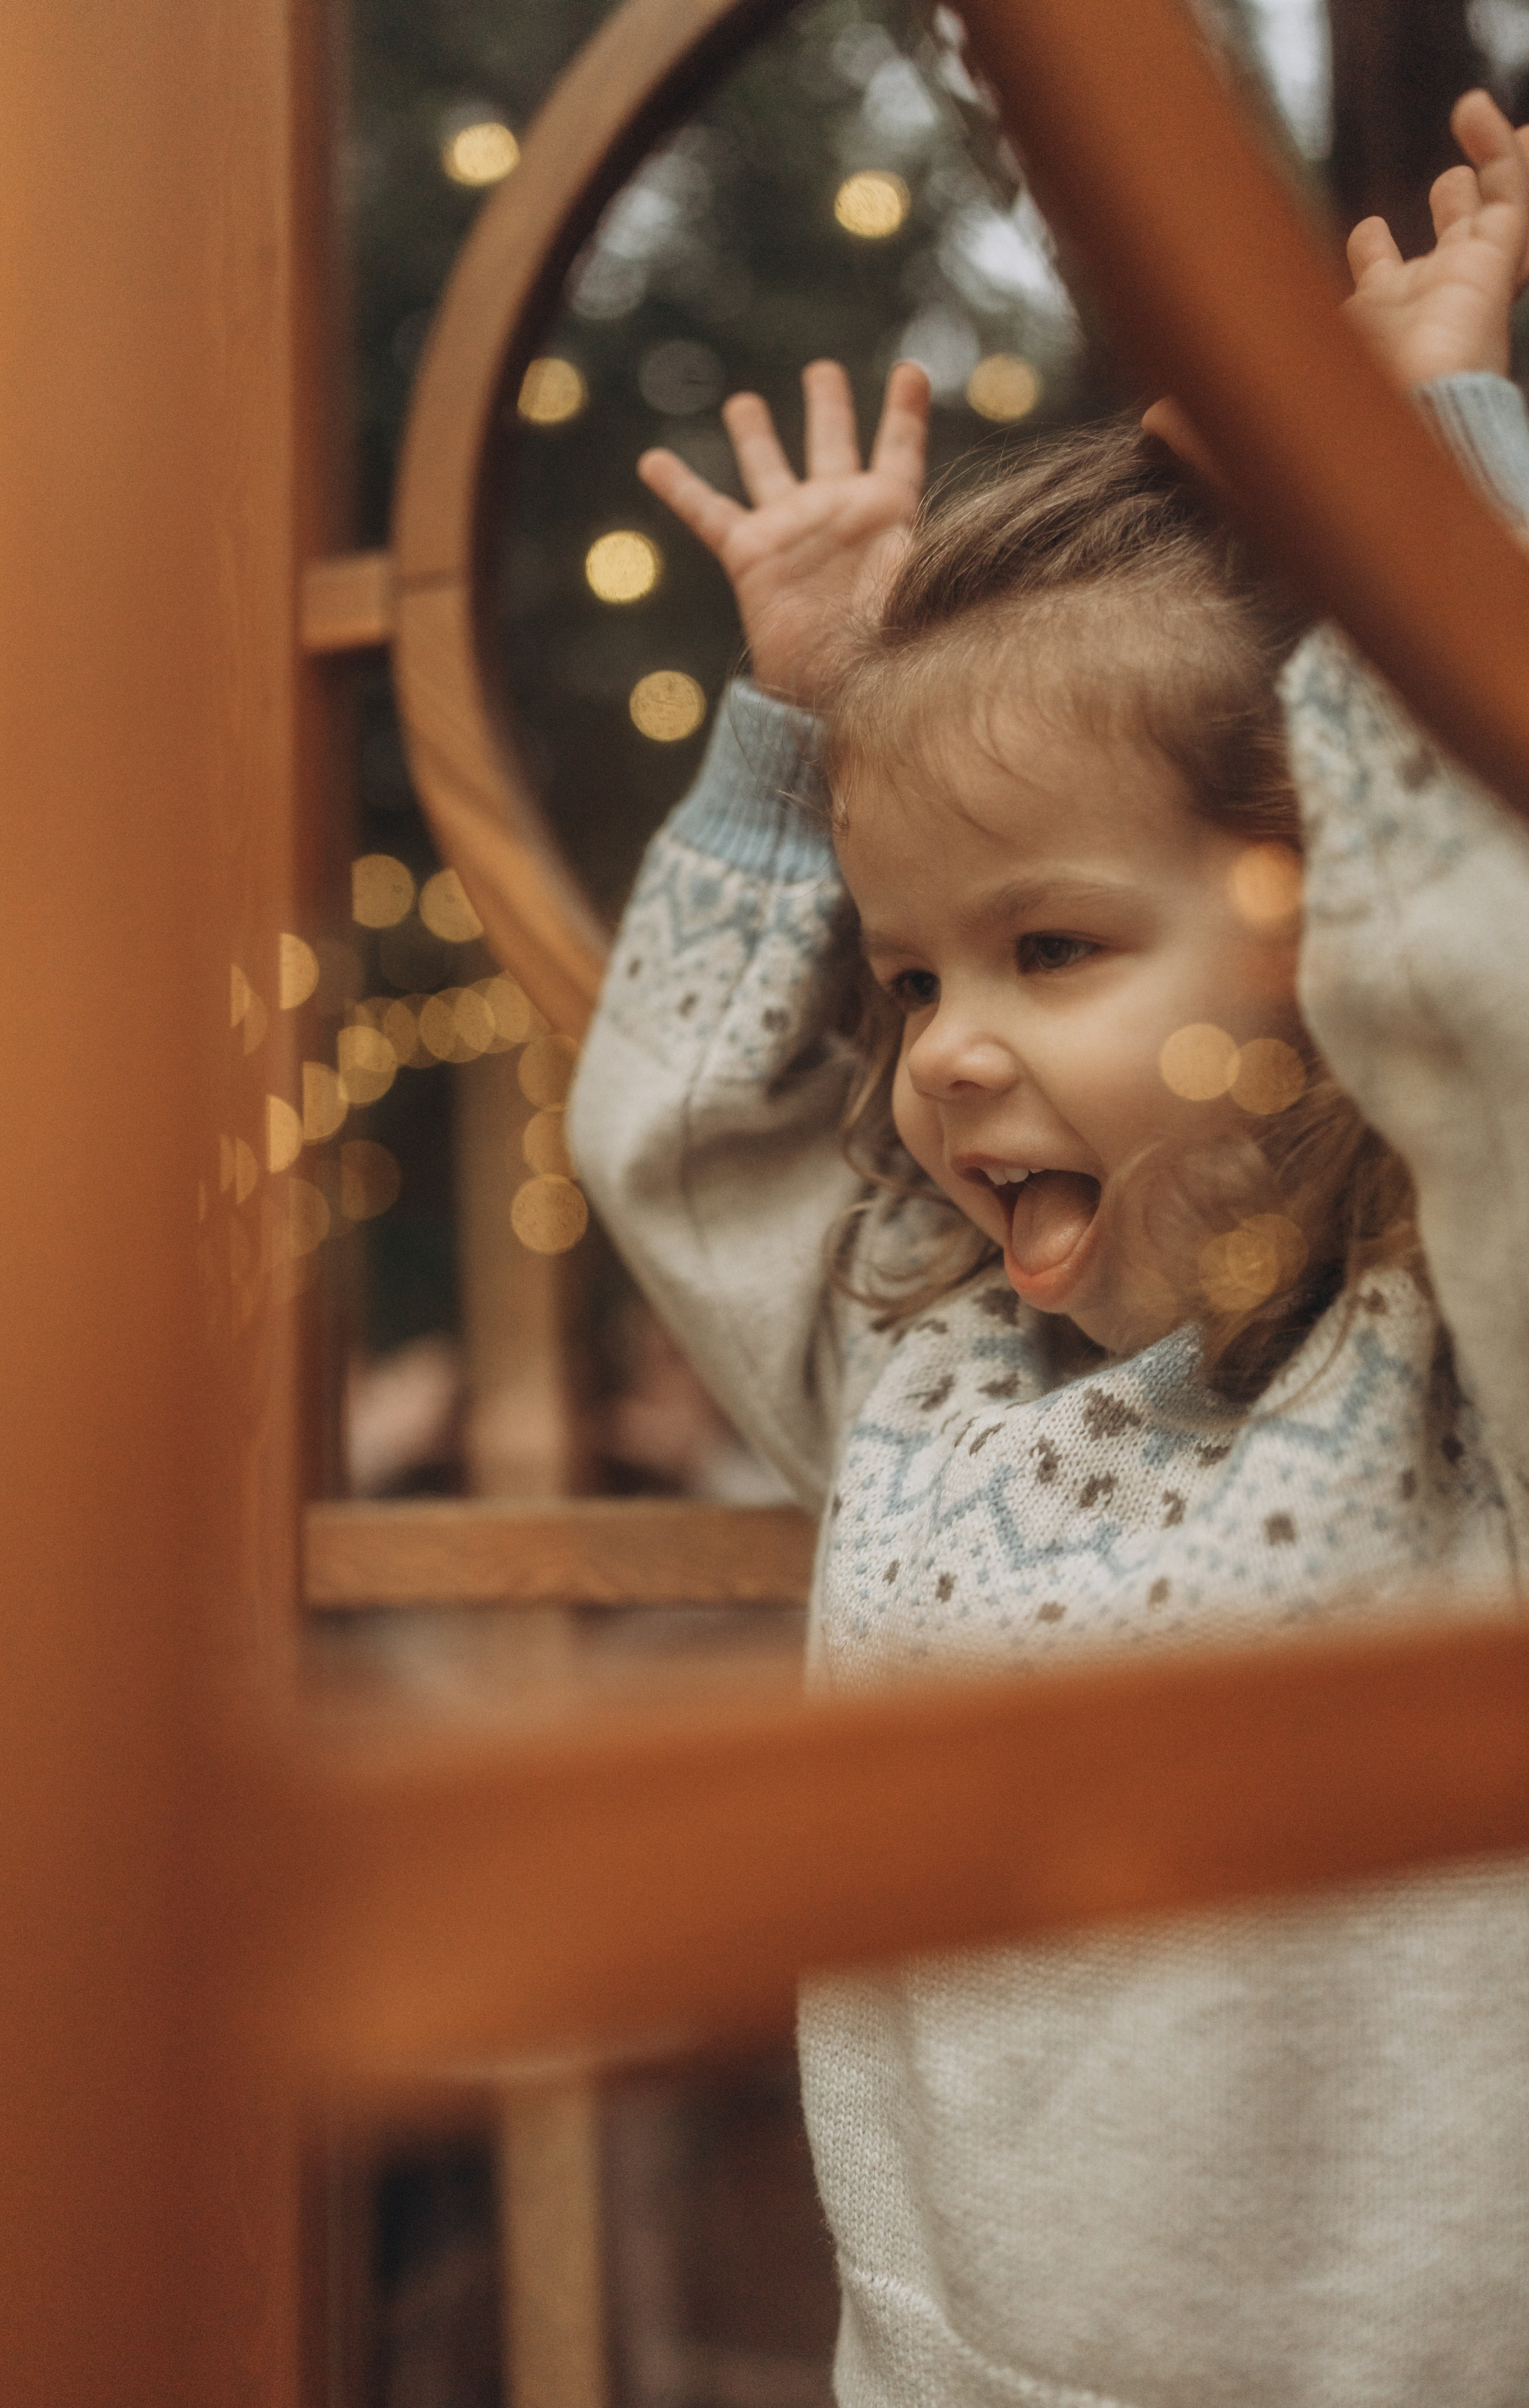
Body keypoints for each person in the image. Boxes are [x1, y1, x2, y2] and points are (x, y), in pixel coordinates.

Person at [569, 87, 1529, 2408]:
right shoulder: (927, 1378)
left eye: (1056, 948)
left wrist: (1416, 500)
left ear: (1332, 928)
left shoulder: (1462, 1391)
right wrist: (797, 724)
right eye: (911, 977)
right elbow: (680, 1146)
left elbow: (1496, 980)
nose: (946, 1051)